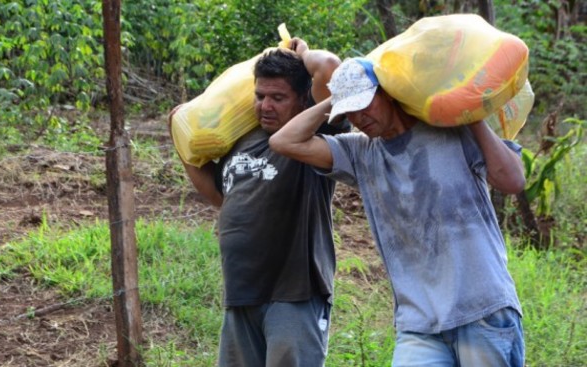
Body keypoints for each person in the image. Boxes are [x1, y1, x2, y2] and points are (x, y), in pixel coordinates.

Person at [269, 57, 526, 366]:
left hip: (483, 311)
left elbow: (513, 181)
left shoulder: (450, 130)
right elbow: (283, 141)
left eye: (365, 104)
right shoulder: (359, 152)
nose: (359, 117)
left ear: (388, 93)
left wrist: (470, 115)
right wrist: (335, 99)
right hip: (419, 325)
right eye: (349, 112)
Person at [181, 39, 348, 367]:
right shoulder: (241, 140)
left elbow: (329, 68)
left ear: (302, 100)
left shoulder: (310, 137)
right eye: (260, 96)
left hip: (294, 292)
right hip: (241, 292)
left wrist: (301, 54)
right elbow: (221, 196)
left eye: (278, 98)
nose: (266, 106)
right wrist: (181, 137)